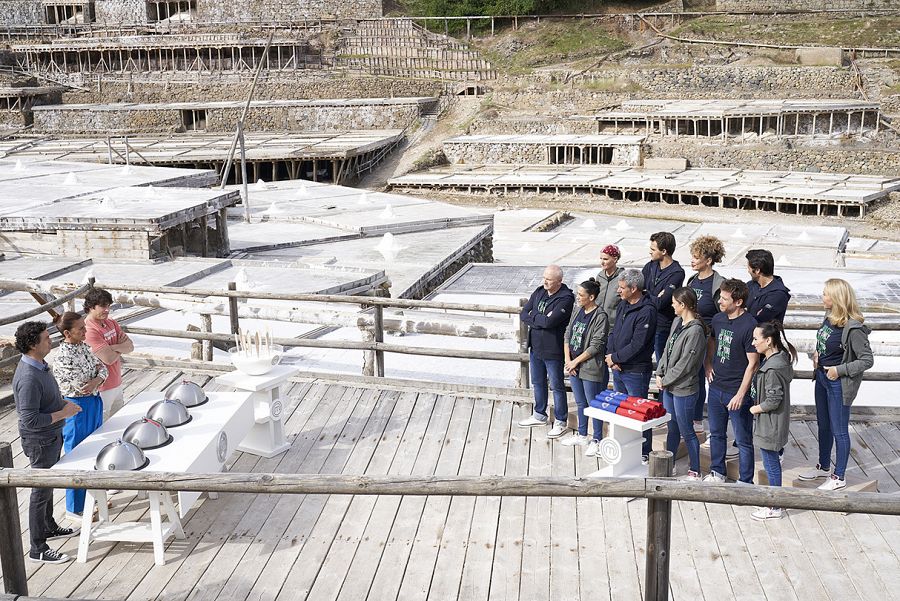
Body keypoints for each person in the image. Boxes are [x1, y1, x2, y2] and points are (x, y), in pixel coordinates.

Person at [13, 321, 81, 564]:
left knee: (48, 485)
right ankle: (37, 548)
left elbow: (49, 397)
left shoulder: (40, 364)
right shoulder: (29, 377)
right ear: (33, 345)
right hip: (40, 440)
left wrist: (63, 405)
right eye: (45, 338)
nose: (50, 340)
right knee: (40, 492)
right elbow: (30, 419)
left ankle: (48, 526)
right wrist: (64, 414)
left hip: (51, 436)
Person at [798, 279, 874, 491]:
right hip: (821, 378)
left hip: (838, 384)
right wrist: (817, 354)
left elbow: (867, 360)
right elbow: (827, 343)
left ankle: (839, 476)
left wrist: (838, 370)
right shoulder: (829, 317)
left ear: (837, 298)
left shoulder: (854, 328)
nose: (822, 297)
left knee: (839, 430)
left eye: (825, 294)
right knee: (823, 425)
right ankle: (823, 466)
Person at [51, 312, 108, 521]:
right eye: (80, 329)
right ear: (67, 333)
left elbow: (103, 368)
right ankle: (74, 508)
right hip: (76, 407)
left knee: (95, 450)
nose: (85, 331)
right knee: (76, 454)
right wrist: (95, 380)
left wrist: (96, 381)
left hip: (93, 402)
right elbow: (79, 385)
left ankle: (94, 496)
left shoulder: (83, 347)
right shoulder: (62, 357)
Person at [704, 279, 759, 484]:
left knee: (743, 441)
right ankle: (717, 472)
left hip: (736, 392)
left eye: (725, 298)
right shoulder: (718, 319)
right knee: (716, 434)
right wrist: (708, 363)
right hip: (716, 387)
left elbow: (752, 364)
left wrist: (740, 394)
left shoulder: (749, 325)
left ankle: (745, 481)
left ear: (738, 302)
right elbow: (712, 340)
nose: (719, 301)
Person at [656, 288, 707, 480]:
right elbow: (667, 349)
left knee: (687, 431)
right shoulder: (677, 322)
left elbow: (686, 364)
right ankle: (668, 464)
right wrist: (660, 373)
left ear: (683, 305)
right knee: (672, 428)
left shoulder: (695, 331)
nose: (672, 305)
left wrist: (666, 379)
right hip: (669, 387)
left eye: (674, 303)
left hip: (684, 389)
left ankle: (695, 469)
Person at [605, 269, 657, 461]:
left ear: (634, 288)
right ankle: (626, 447)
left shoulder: (647, 311)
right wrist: (612, 356)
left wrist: (616, 358)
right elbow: (613, 331)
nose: (618, 291)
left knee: (639, 412)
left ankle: (644, 451)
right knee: (622, 411)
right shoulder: (623, 305)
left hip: (636, 371)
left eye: (622, 287)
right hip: (618, 367)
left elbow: (638, 344)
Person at [518, 265, 576, 438]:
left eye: (549, 279)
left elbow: (551, 323)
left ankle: (560, 420)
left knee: (557, 386)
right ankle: (539, 414)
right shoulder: (539, 291)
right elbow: (524, 313)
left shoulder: (566, 298)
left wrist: (535, 317)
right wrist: (541, 318)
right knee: (538, 382)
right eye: (544, 277)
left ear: (559, 281)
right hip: (535, 347)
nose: (545, 281)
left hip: (553, 349)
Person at [749, 321, 797, 520]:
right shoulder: (779, 360)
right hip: (772, 423)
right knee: (772, 463)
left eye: (756, 339)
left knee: (771, 465)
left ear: (768, 341)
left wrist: (755, 408)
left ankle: (774, 506)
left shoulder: (773, 369)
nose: (753, 343)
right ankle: (773, 502)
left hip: (770, 424)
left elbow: (774, 400)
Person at [562, 279, 610, 455]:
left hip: (589, 367)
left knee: (593, 403)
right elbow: (567, 334)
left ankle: (597, 438)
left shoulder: (600, 316)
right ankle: (582, 434)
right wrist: (569, 360)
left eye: (581, 295)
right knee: (580, 402)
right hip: (573, 364)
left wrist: (576, 362)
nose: (578, 297)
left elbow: (596, 345)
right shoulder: (577, 310)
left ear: (591, 297)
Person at [686, 235, 726, 434]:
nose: (692, 260)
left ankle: (700, 420)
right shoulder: (691, 280)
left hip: (711, 338)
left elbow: (724, 314)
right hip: (692, 336)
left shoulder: (719, 283)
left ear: (708, 260)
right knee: (693, 376)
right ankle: (692, 416)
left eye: (696, 257)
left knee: (708, 376)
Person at [83, 288, 133, 420]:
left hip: (117, 382)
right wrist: (119, 348)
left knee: (120, 421)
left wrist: (112, 347)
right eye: (103, 306)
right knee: (103, 425)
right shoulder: (89, 329)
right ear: (90, 307)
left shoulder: (111, 322)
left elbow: (130, 346)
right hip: (101, 388)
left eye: (108, 306)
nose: (107, 310)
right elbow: (108, 358)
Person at [642, 232, 685, 362]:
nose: (650, 252)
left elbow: (661, 303)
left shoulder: (677, 272)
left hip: (662, 326)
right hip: (645, 321)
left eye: (653, 249)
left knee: (663, 361)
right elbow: (638, 291)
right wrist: (652, 295)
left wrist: (647, 293)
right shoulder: (650, 266)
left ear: (664, 251)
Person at [745, 249, 791, 324]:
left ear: (757, 270)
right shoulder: (751, 285)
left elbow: (760, 319)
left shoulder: (778, 295)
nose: (748, 271)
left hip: (765, 334)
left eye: (749, 268)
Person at [596, 244, 624, 321]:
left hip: (614, 323)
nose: (602, 262)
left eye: (605, 259)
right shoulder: (600, 276)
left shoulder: (622, 277)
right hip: (598, 322)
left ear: (615, 259)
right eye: (601, 258)